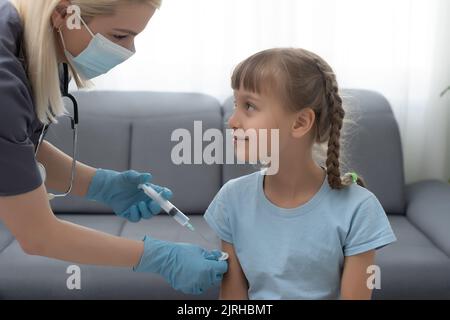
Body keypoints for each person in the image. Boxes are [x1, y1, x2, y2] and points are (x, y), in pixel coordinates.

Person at [0, 0, 227, 295]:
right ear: (63, 14)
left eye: (134, 37)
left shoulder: (31, 49)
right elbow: (37, 236)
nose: (129, 51)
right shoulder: (4, 82)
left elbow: (18, 151)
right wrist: (158, 258)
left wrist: (102, 185)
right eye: (120, 36)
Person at [204, 48, 396, 300]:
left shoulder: (359, 209)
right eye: (236, 104)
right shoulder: (232, 199)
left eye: (249, 106)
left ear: (300, 123)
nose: (232, 121)